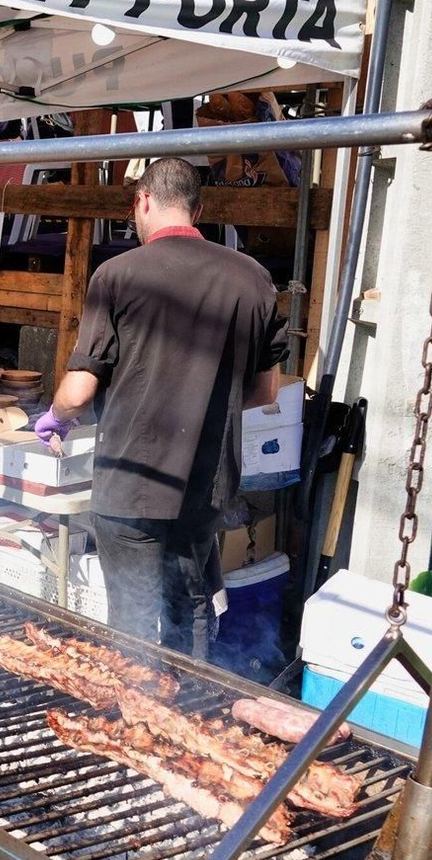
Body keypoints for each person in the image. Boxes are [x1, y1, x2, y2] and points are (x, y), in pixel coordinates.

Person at [37, 158, 286, 659]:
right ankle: (187, 712)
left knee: (130, 621)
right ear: (200, 208)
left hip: (130, 485)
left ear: (143, 201)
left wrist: (56, 416)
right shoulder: (254, 279)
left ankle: (132, 723)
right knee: (190, 611)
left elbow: (80, 389)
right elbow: (267, 393)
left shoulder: (117, 275)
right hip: (204, 489)